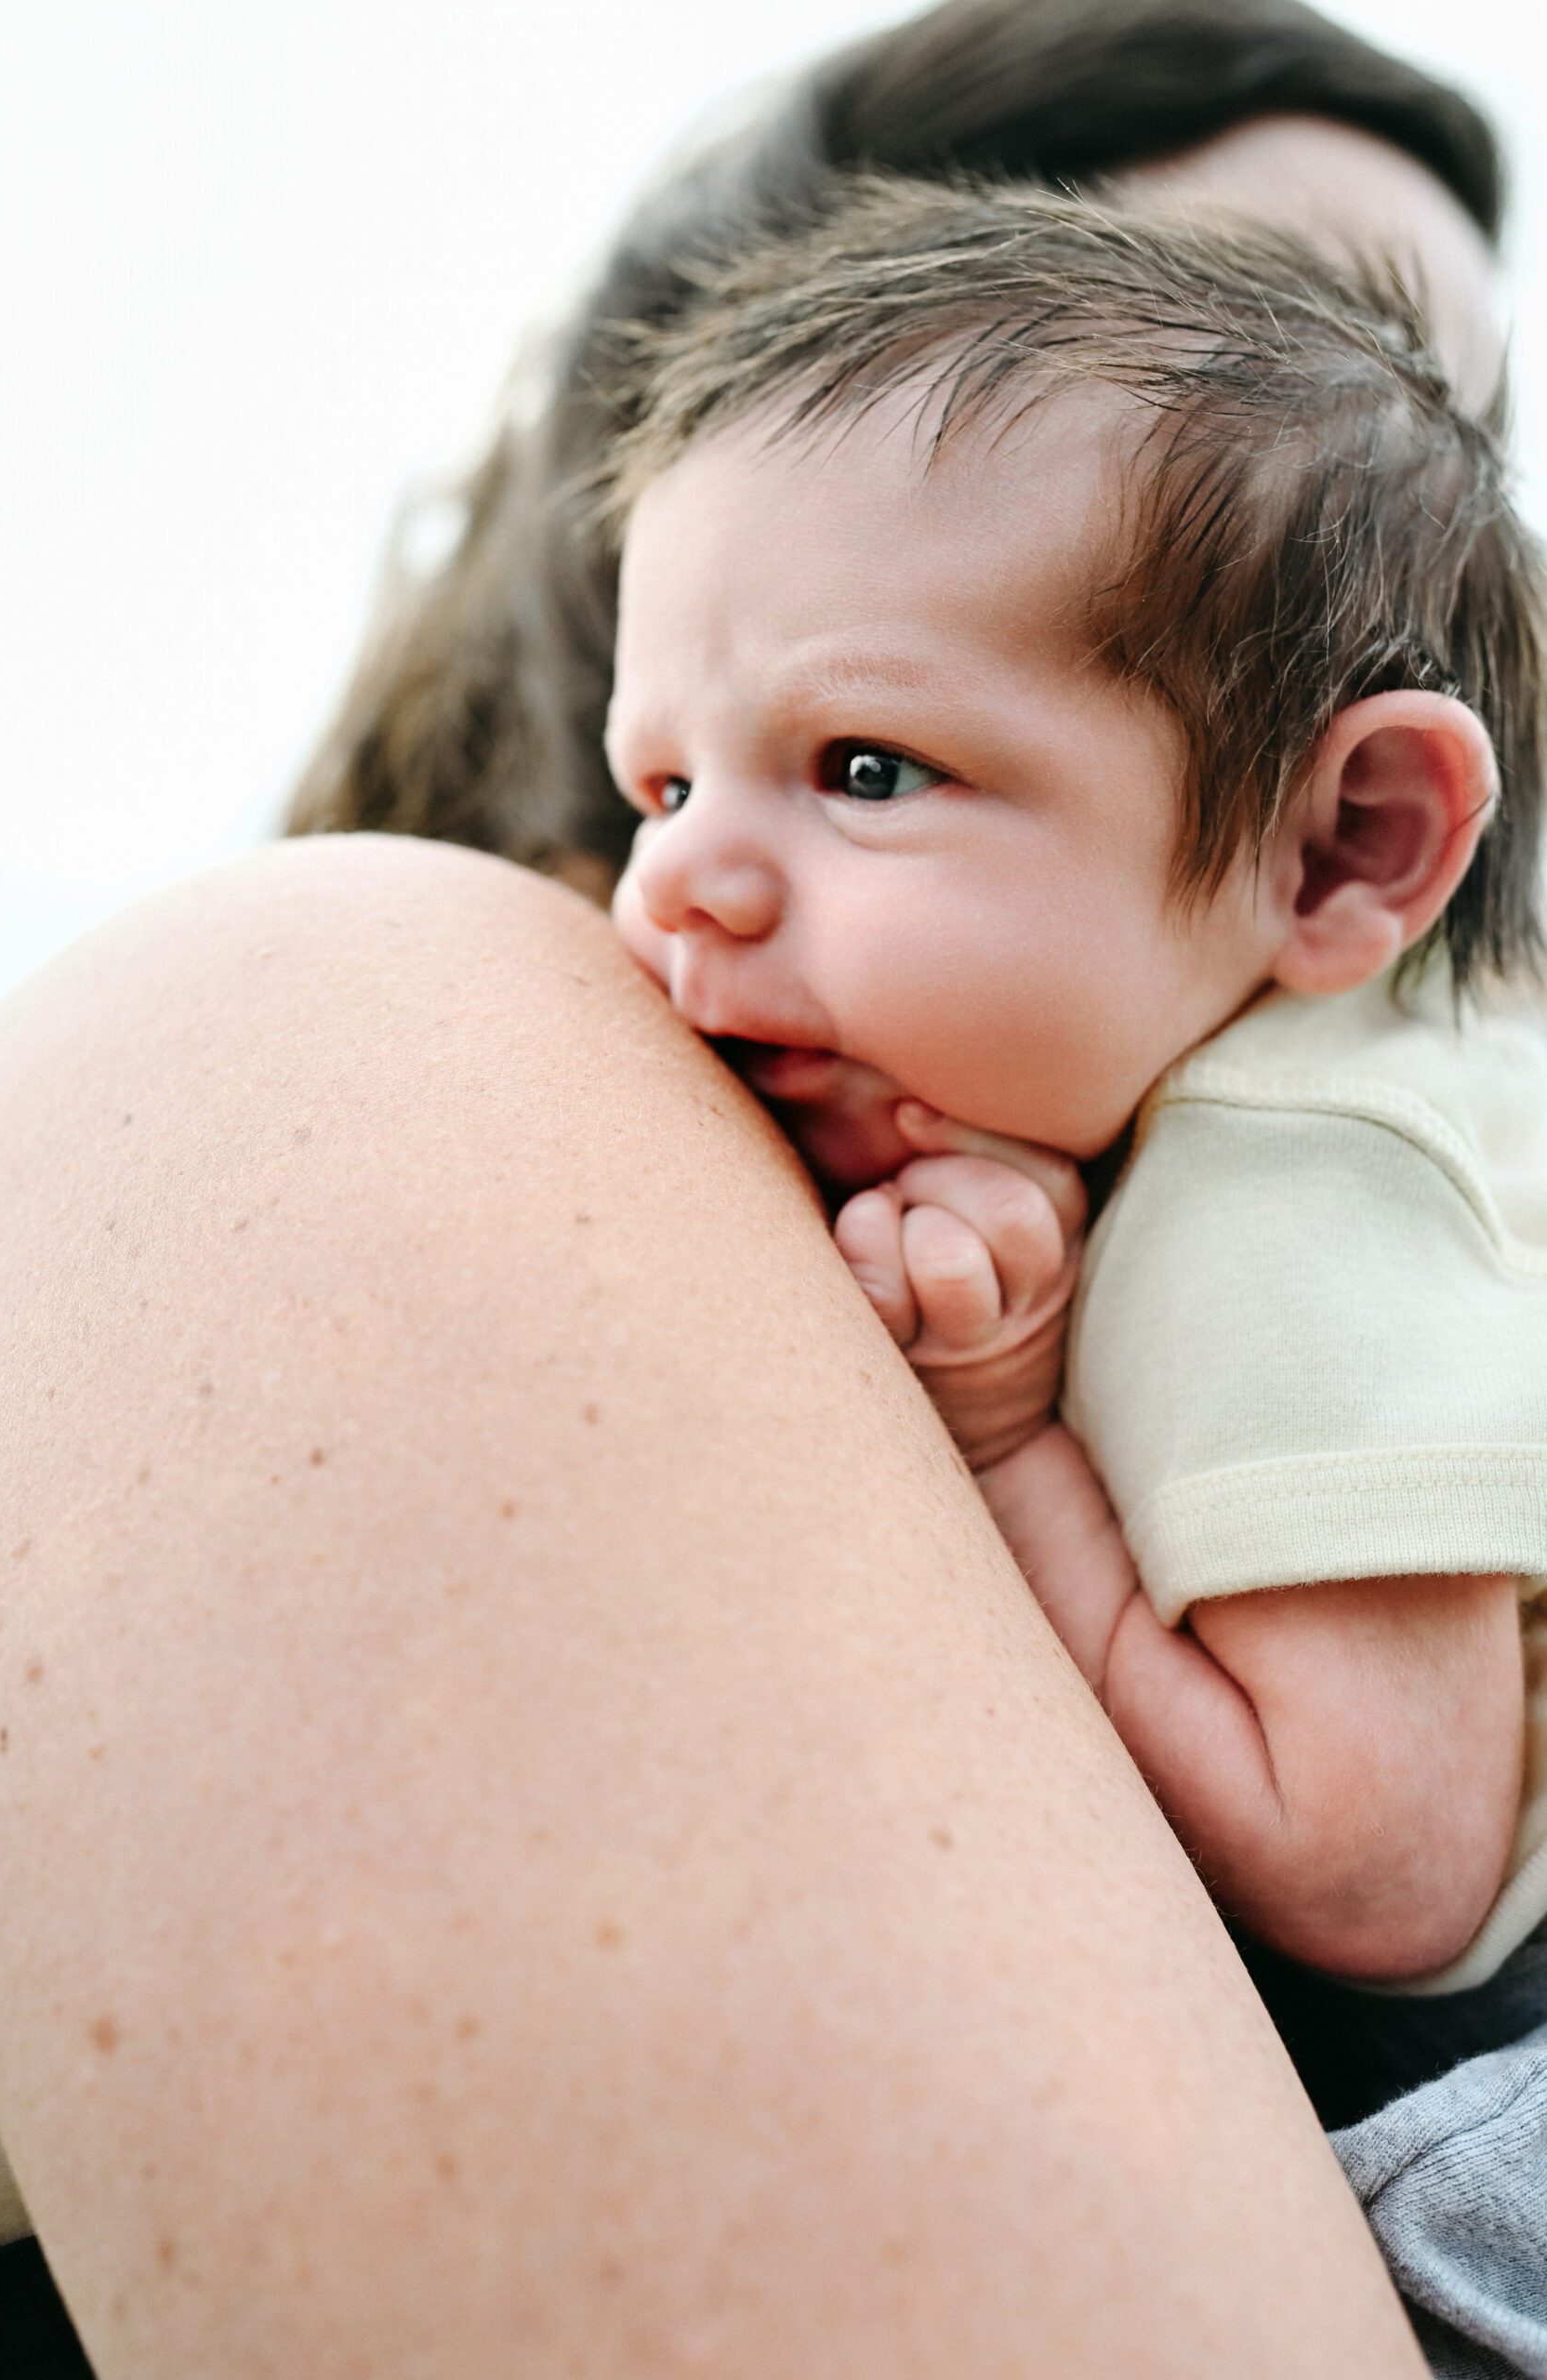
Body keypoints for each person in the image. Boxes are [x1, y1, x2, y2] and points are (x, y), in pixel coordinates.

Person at [0, 1, 1519, 2373]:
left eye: (1464, 426)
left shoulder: (1334, 1165)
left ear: (1358, 832)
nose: (1414, 519)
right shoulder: (329, 1100)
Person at [597, 176, 1547, 2368]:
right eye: (657, 773)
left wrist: (1010, 1437)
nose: (677, 885)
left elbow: (1374, 1871)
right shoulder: (1168, 1057)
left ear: (1346, 848)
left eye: (860, 766)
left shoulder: (1291, 1186)